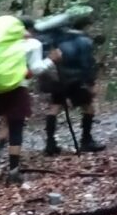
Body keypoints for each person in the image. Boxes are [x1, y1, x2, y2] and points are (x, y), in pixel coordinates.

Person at [0, 18, 62, 184]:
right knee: (16, 128)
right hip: (17, 88)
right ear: (29, 30)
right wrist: (52, 60)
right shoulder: (32, 44)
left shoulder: (3, 43)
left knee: (6, 122)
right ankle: (13, 171)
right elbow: (36, 68)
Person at [41, 15, 106, 154]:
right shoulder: (84, 41)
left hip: (57, 78)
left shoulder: (58, 38)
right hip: (76, 80)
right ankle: (86, 141)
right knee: (88, 108)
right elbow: (86, 65)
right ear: (86, 26)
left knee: (54, 107)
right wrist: (91, 84)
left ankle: (50, 144)